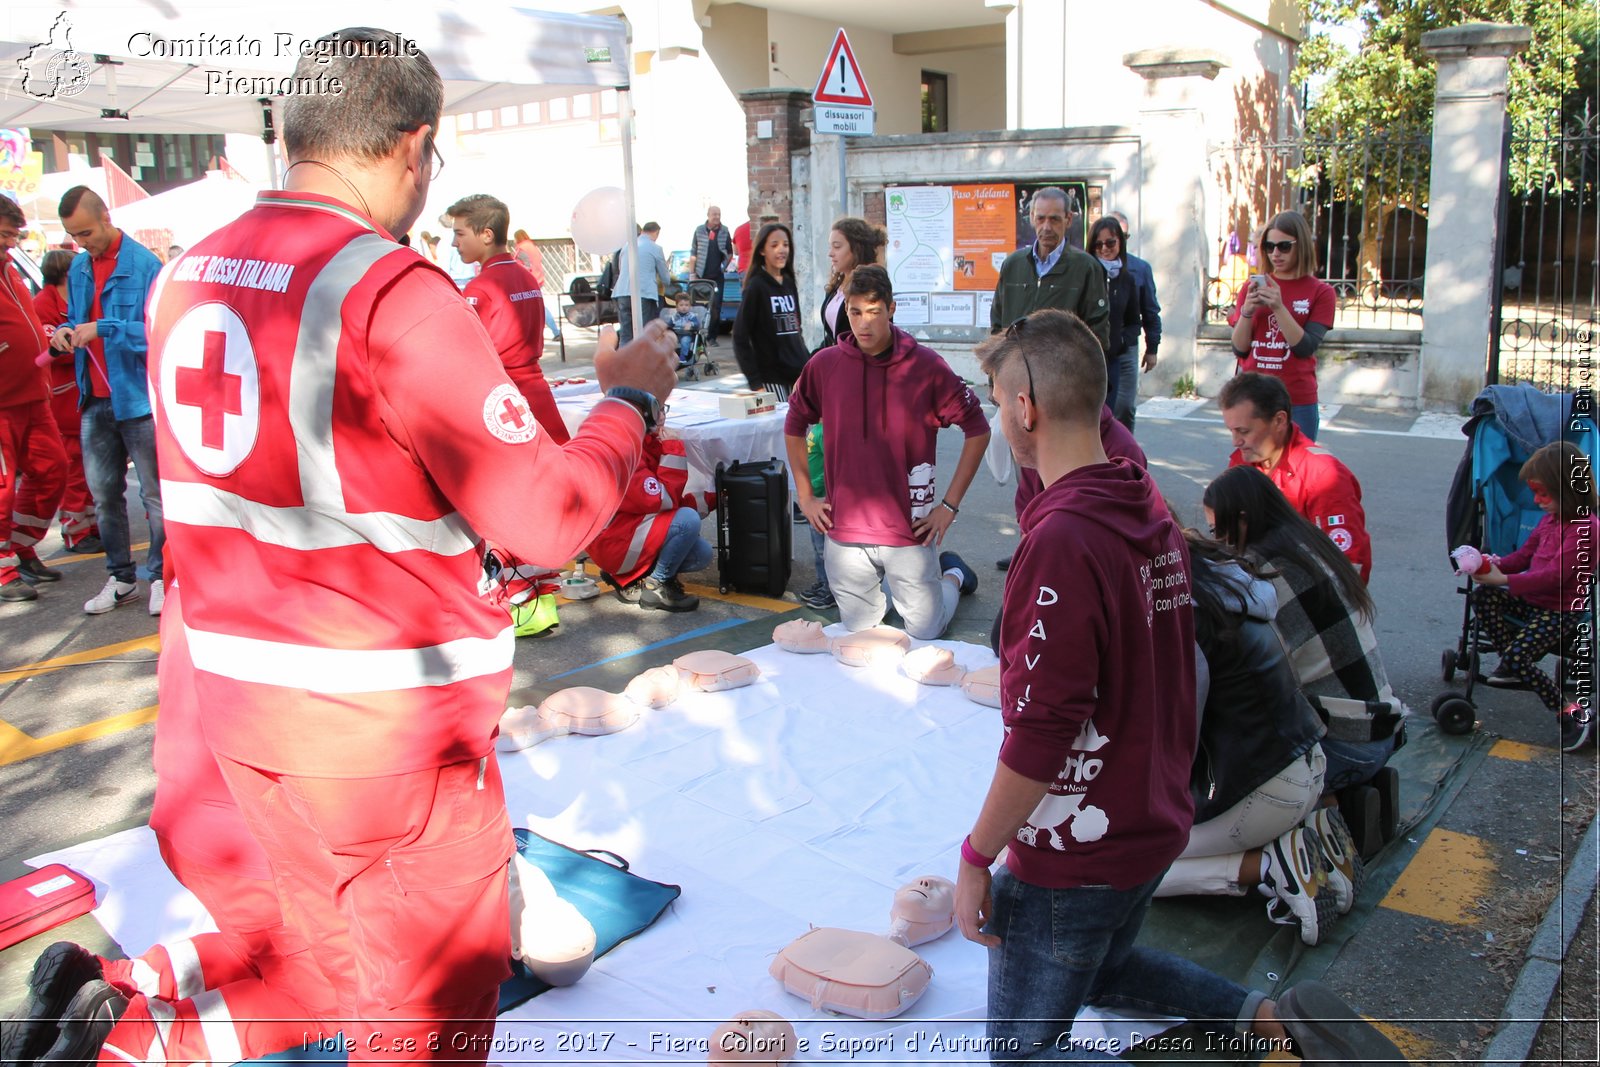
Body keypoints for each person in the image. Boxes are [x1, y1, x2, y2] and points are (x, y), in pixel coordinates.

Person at [127, 27, 675, 1067]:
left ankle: (134, 1022)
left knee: (322, 962)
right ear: (415, 146)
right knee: (426, 1005)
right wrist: (629, 401)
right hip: (386, 734)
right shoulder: (388, 290)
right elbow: (549, 515)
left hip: (242, 713)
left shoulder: (188, 275)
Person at [954, 306, 1404, 1063]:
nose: (1001, 418)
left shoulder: (1061, 538)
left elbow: (1043, 730)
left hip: (1078, 849)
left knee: (1024, 1054)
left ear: (1025, 408)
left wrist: (976, 855)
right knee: (1107, 965)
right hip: (1150, 818)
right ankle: (1262, 1017)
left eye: (1000, 402)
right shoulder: (1140, 500)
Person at [1151, 532, 1358, 949]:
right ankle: (1304, 834)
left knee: (1115, 864)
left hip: (1258, 790)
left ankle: (1267, 864)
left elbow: (1172, 745)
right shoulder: (1221, 584)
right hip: (1308, 765)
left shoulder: (1176, 616)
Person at [785, 265, 986, 639]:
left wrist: (949, 506)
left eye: (874, 311)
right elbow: (794, 423)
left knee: (927, 630)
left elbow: (978, 429)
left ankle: (953, 575)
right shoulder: (825, 365)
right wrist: (806, 497)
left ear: (891, 309)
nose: (864, 323)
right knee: (860, 632)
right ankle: (898, 590)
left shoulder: (926, 367)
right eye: (855, 311)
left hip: (908, 530)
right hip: (845, 532)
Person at [1204, 465, 1408, 792]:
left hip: (1345, 747)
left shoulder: (1264, 572)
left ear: (1242, 519)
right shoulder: (1306, 542)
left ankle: (1323, 812)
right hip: (1381, 730)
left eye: (1216, 530)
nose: (1218, 542)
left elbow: (1248, 674)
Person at [49, 186, 165, 616]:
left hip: (136, 399)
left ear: (106, 217)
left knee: (154, 496)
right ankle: (120, 578)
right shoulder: (79, 268)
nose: (81, 243)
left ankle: (159, 576)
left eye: (86, 232)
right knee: (104, 496)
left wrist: (104, 328)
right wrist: (65, 332)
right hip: (94, 399)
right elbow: (75, 321)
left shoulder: (145, 265)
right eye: (74, 236)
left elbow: (157, 331)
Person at [1469, 441, 1598, 752]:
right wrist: (1491, 563)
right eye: (1535, 494)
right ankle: (1514, 666)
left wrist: (1507, 579)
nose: (1537, 501)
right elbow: (1525, 555)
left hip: (1560, 610)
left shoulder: (1585, 528)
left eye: (1543, 494)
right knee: (1484, 596)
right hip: (1534, 604)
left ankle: (1569, 714)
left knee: (1517, 656)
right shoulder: (1551, 519)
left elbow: (1555, 576)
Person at [1220, 372, 1371, 582]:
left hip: (1308, 599)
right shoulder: (1242, 462)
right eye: (1231, 431)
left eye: (1243, 431)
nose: (1236, 441)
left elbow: (1349, 567)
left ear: (1279, 420)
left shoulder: (1324, 476)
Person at [447, 193, 568, 443]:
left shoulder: (480, 289)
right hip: (538, 394)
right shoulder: (526, 277)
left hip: (502, 400)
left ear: (487, 235)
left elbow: (466, 356)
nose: (454, 243)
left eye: (460, 234)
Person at [0, 198, 67, 604]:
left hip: (32, 397)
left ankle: (20, 547)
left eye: (13, 235)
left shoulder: (10, 272)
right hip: (3, 404)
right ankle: (4, 563)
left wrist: (47, 340)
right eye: (5, 234)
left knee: (52, 470)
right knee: (2, 488)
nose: (11, 243)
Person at [1228, 211, 1336, 441]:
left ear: (1302, 246)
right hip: (1252, 398)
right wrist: (1247, 312)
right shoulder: (1252, 287)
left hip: (1296, 400)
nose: (1276, 253)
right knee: (1255, 473)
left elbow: (1305, 347)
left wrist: (1279, 306)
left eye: (1284, 246)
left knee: (1294, 472)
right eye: (1269, 246)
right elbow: (1239, 349)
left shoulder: (1321, 292)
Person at [587, 427, 713, 613]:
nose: (661, 416)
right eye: (656, 408)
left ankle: (631, 577)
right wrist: (674, 450)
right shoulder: (626, 451)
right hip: (614, 542)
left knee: (701, 554)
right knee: (688, 520)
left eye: (663, 408)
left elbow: (672, 504)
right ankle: (657, 585)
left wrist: (714, 497)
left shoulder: (647, 442)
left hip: (626, 533)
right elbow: (664, 500)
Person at [32, 248, 101, 555]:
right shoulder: (44, 304)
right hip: (65, 399)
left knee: (91, 469)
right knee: (75, 470)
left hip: (82, 394)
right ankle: (75, 530)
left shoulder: (70, 300)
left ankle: (90, 524)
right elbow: (52, 350)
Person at [989, 186, 1109, 352]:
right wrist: (997, 370)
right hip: (1016, 373)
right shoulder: (1013, 264)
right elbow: (997, 324)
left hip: (1062, 374)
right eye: (1040, 218)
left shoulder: (1086, 268)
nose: (1046, 227)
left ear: (1068, 219)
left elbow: (1097, 335)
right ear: (1032, 218)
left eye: (1054, 219)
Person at [732, 221, 810, 398]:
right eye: (774, 245)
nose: (781, 250)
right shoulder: (756, 286)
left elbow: (796, 328)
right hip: (772, 380)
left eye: (785, 245)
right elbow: (740, 336)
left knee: (806, 426)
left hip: (799, 375)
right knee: (781, 426)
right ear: (762, 250)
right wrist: (756, 383)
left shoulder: (789, 283)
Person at [1087, 217, 1144, 432]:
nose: (1104, 249)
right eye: (1098, 244)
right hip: (1084, 361)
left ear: (1120, 242)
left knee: (1109, 419)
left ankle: (1112, 462)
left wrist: (1120, 341)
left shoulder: (1127, 279)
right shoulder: (1085, 274)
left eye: (1110, 243)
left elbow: (1133, 322)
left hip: (1111, 361)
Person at [1109, 209, 1162, 381]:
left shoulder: (1140, 269)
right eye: (1113, 235)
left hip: (1127, 345)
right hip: (1096, 346)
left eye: (1124, 236)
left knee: (1124, 405)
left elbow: (1150, 311)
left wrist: (1152, 349)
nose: (1118, 241)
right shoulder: (1090, 266)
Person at [819, 217, 886, 348]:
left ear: (856, 249)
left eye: (837, 247)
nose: (830, 253)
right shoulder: (836, 287)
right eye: (830, 247)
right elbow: (831, 334)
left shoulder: (871, 286)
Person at [612, 221, 671, 345]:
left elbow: (620, 268)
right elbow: (665, 278)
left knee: (626, 333)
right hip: (643, 293)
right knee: (645, 333)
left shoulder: (627, 246)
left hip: (622, 292)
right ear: (656, 233)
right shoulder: (655, 248)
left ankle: (624, 361)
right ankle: (643, 363)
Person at [691, 205, 733, 345]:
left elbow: (730, 252)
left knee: (716, 307)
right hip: (701, 275)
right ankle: (697, 338)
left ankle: (711, 337)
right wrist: (692, 274)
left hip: (717, 276)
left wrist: (723, 266)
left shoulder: (724, 231)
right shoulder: (699, 230)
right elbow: (693, 253)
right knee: (698, 306)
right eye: (714, 214)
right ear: (708, 215)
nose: (717, 217)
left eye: (719, 214)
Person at [512, 228, 562, 341]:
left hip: (529, 281)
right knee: (537, 307)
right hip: (538, 279)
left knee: (538, 308)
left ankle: (555, 331)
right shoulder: (532, 246)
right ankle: (552, 332)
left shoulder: (522, 248)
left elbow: (525, 266)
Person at [662, 292, 702, 366]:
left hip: (687, 335)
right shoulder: (675, 317)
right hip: (677, 334)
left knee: (684, 341)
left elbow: (697, 324)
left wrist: (691, 324)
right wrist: (665, 327)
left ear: (690, 306)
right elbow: (670, 325)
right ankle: (669, 356)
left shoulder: (691, 316)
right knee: (668, 339)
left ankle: (683, 357)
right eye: (681, 305)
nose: (684, 307)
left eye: (686, 305)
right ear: (677, 307)